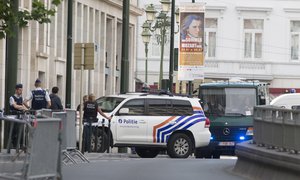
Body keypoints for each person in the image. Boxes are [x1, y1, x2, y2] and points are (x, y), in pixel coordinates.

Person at [9, 83, 27, 148]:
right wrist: (21, 107)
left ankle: (22, 145)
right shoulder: (12, 98)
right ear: (16, 90)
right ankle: (14, 146)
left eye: (22, 90)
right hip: (14, 117)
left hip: (21, 117)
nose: (21, 91)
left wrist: (23, 107)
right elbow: (15, 106)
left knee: (21, 131)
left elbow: (21, 106)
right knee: (15, 131)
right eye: (20, 90)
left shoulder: (21, 98)